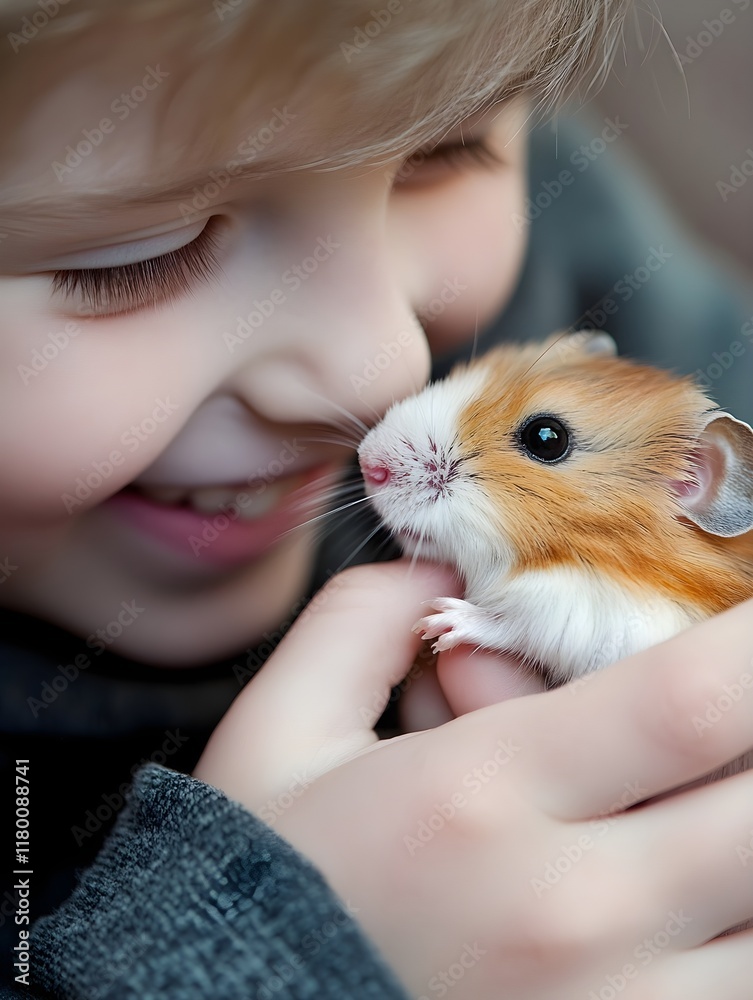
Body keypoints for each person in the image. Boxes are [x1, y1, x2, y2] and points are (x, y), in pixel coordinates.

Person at [0, 0, 751, 996]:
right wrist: (263, 954)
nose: (383, 369)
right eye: (136, 253)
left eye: (441, 153)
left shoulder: (579, 261)